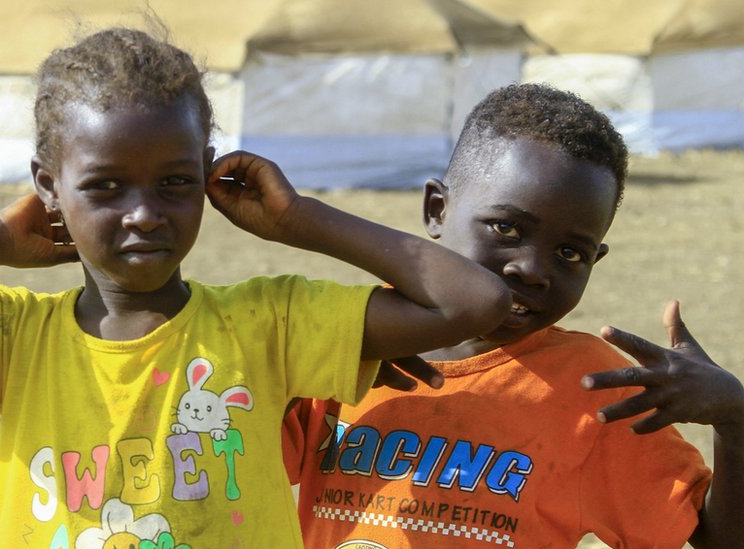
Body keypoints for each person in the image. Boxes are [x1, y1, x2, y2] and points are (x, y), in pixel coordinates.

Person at [0, 28, 511, 548]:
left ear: (207, 173)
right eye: (105, 187)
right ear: (48, 183)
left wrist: (300, 219)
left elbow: (473, 302)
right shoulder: (11, 336)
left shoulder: (270, 323)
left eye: (174, 182)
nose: (144, 213)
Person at [284, 83, 744, 548]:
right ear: (437, 210)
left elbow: (715, 538)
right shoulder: (350, 338)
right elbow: (244, 462)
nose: (532, 270)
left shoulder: (593, 389)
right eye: (506, 228)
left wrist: (735, 421)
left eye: (569, 253)